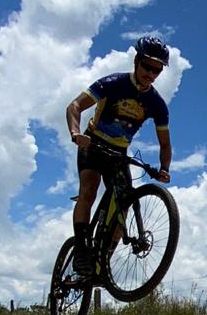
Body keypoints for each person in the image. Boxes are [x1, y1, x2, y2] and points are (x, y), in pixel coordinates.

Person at [66, 36, 172, 277]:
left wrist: (164, 168)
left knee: (123, 206)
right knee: (89, 191)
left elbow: (165, 143)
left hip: (119, 152)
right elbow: (74, 106)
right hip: (93, 143)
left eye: (157, 70)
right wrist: (75, 134)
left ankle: (103, 263)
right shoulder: (113, 83)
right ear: (137, 61)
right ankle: (81, 248)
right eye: (147, 67)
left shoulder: (156, 103)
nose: (151, 74)